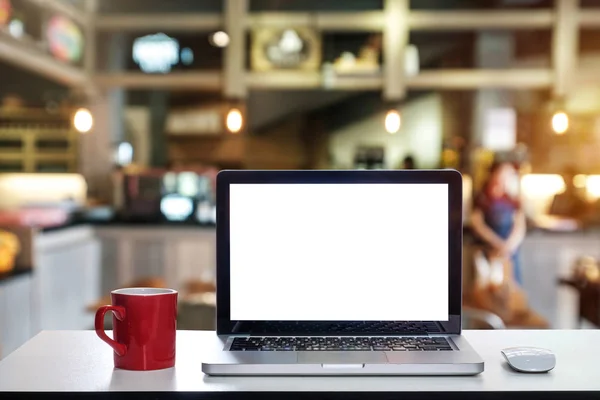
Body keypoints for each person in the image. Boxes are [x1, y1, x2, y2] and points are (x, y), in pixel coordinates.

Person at [471, 161, 526, 286]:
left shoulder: (513, 199)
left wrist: (509, 246)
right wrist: (497, 243)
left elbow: (520, 227)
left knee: (511, 289)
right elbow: (478, 225)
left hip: (509, 253)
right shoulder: (482, 198)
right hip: (489, 251)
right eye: (504, 172)